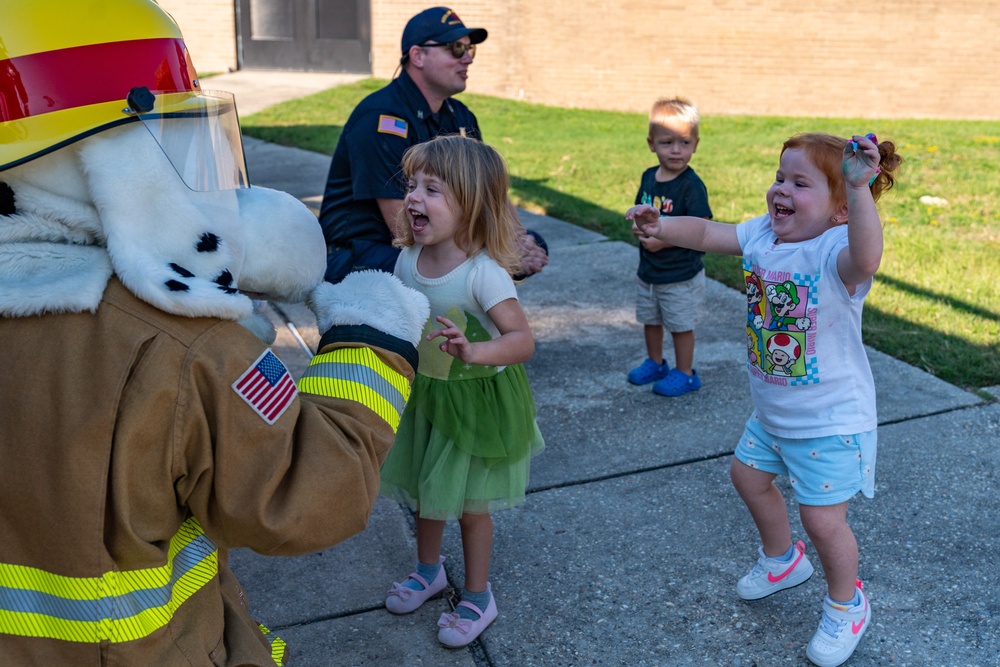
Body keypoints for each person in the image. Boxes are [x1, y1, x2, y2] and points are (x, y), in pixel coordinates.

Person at [0, 1, 430, 664]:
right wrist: (377, 332)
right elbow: (312, 493)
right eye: (170, 141)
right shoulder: (180, 346)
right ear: (108, 163)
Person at [627, 132, 902, 667]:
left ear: (840, 210)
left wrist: (860, 188)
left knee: (824, 522)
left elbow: (868, 258)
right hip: (774, 413)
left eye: (801, 184)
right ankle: (781, 560)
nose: (781, 190)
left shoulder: (834, 255)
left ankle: (847, 604)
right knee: (747, 478)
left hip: (828, 421)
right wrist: (663, 227)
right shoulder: (761, 237)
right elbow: (707, 231)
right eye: (780, 178)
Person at [377, 135, 545, 648]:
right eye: (411, 186)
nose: (413, 198)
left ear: (470, 205)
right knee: (426, 490)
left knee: (472, 506)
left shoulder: (483, 274)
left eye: (432, 189)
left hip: (475, 401)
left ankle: (478, 594)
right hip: (425, 394)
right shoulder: (408, 257)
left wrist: (474, 352)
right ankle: (430, 572)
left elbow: (521, 341)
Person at [318, 6, 548, 285]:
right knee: (471, 268)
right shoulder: (381, 118)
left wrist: (518, 243)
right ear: (418, 56)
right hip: (368, 253)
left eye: (469, 49)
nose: (467, 59)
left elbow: (490, 191)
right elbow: (402, 226)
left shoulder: (460, 116)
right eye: (455, 48)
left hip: (430, 238)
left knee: (531, 243)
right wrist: (492, 253)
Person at [626, 98, 713, 396]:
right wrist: (637, 227)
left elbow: (701, 225)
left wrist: (662, 240)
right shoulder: (649, 177)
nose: (676, 150)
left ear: (695, 144)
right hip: (649, 272)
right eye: (667, 142)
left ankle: (686, 373)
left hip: (680, 274)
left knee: (679, 325)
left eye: (684, 142)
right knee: (650, 320)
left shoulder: (691, 185)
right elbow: (640, 212)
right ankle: (655, 362)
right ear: (651, 143)